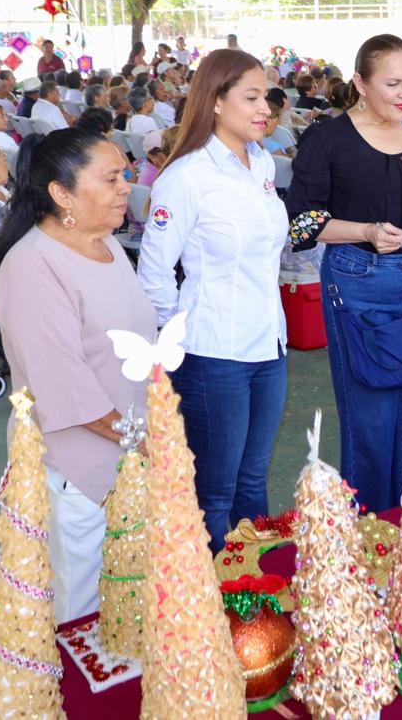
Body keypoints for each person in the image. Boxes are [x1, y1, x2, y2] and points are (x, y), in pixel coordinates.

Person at [286, 34, 402, 512]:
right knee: (371, 416)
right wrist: (366, 232)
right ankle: (371, 526)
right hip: (359, 281)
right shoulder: (327, 139)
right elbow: (301, 223)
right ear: (360, 83)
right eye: (393, 83)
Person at [0, 128, 152, 622]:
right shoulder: (32, 265)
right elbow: (66, 388)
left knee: (129, 601)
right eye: (110, 178)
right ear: (61, 193)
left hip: (128, 453)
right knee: (80, 610)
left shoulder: (107, 245)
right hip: (77, 470)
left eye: (125, 174)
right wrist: (146, 439)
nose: (125, 187)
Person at [137, 48, 288, 551]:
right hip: (213, 353)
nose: (265, 108)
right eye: (252, 97)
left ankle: (257, 587)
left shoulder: (261, 163)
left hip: (269, 345)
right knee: (215, 494)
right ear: (216, 102)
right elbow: (154, 273)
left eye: (266, 96)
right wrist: (179, 336)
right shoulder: (187, 176)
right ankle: (210, 594)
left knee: (253, 479)